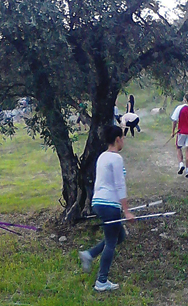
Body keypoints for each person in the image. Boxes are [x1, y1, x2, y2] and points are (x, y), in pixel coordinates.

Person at [78, 125, 134, 292]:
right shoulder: (116, 158)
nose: (123, 141)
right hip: (110, 204)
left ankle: (89, 254)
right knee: (111, 242)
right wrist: (126, 211)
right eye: (122, 138)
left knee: (119, 236)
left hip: (98, 202)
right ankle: (101, 281)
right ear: (117, 139)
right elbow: (119, 185)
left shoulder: (102, 156)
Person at [170, 93, 188, 177]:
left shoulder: (179, 108)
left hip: (181, 132)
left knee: (178, 147)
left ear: (185, 99)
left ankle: (181, 164)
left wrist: (173, 131)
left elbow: (174, 120)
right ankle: (187, 170)